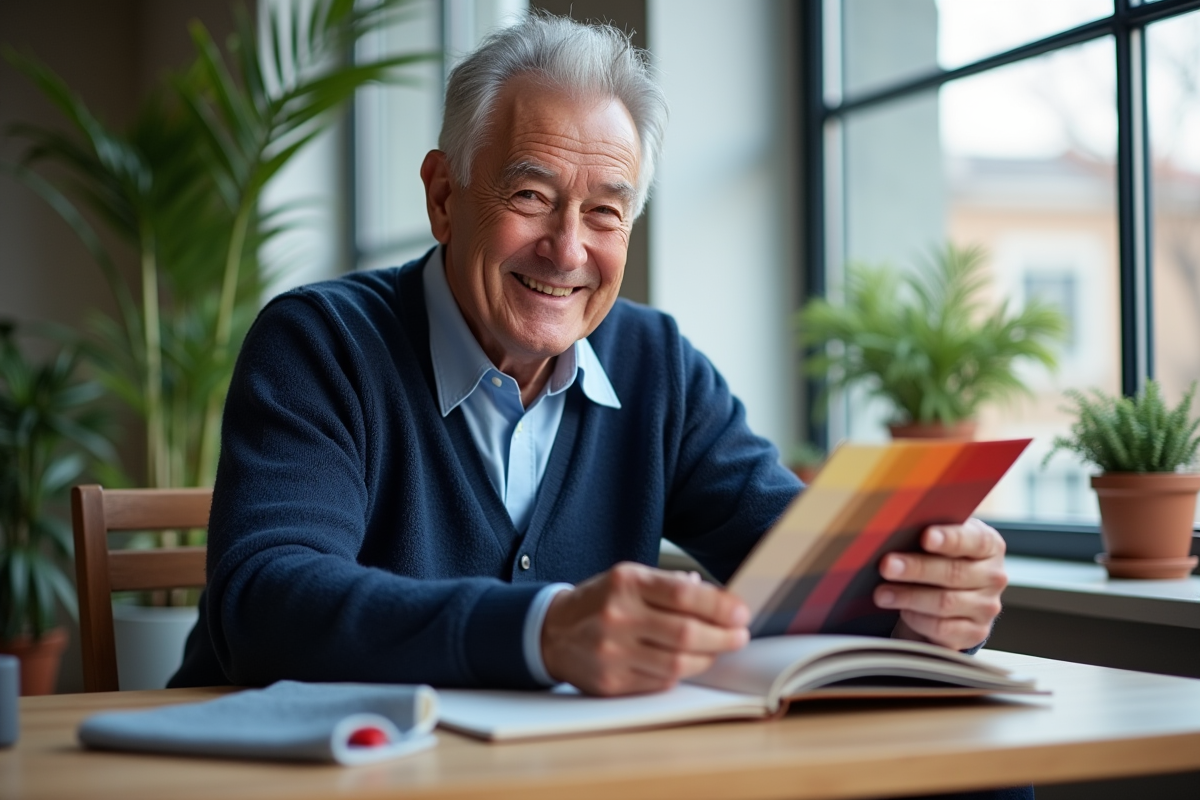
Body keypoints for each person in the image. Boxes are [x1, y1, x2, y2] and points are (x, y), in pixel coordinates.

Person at [171, 13, 1008, 701]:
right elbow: (265, 604)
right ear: (444, 195)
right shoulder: (320, 344)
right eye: (531, 196)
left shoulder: (656, 363)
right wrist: (543, 631)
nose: (567, 250)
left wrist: (927, 599)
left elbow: (806, 571)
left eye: (606, 213)